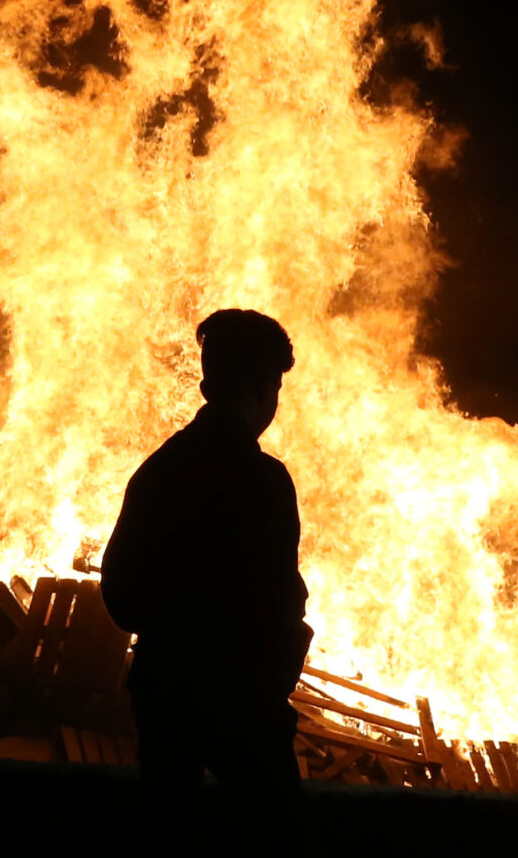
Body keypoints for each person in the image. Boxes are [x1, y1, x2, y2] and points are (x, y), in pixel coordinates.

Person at [100, 309, 312, 794]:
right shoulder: (264, 482)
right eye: (275, 388)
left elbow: (121, 594)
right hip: (245, 703)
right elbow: (282, 598)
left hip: (165, 700)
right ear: (262, 386)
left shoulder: (160, 471)